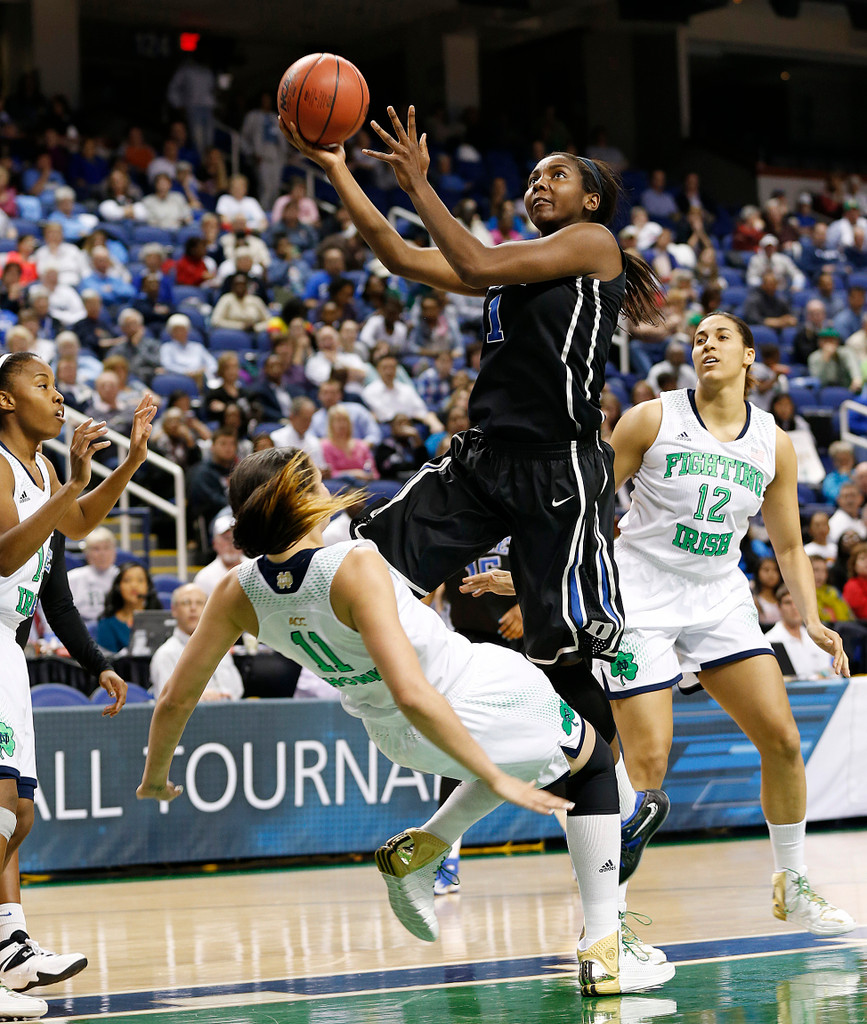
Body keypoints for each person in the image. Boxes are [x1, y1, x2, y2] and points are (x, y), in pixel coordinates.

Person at [137, 447, 675, 996]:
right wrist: (491, 779)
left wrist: (156, 777)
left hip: (392, 734)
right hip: (471, 695)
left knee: (529, 761)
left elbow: (175, 701)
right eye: (319, 481)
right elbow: (417, 693)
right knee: (593, 767)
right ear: (300, 499)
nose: (329, 488)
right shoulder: (352, 563)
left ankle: (429, 849)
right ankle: (606, 950)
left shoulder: (235, 590)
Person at [594, 311, 853, 936]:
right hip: (641, 593)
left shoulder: (774, 441)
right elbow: (587, 500)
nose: (705, 345)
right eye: (698, 339)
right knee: (647, 763)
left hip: (718, 595)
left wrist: (813, 621)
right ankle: (610, 921)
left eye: (720, 337)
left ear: (749, 357)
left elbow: (789, 547)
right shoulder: (652, 418)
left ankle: (792, 886)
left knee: (783, 740)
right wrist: (540, 576)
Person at [0, 353, 156, 1017]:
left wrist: (126, 465)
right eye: (42, 385)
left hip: (9, 650)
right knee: (3, 808)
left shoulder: (41, 470)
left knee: (17, 812)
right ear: (5, 401)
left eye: (60, 388)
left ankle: (11, 953)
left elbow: (74, 529)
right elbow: (5, 553)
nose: (58, 398)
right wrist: (72, 484)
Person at [150, 584, 243, 700]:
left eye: (199, 603)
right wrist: (202, 698)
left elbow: (238, 689)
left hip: (227, 713)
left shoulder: (220, 647)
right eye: (186, 603)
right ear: (174, 610)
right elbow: (165, 701)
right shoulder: (166, 654)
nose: (193, 608)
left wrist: (221, 696)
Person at [765, 586, 835, 679]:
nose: (794, 607)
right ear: (779, 606)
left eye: (797, 602)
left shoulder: (816, 636)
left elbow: (831, 671)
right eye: (788, 603)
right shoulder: (769, 640)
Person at [96, 561, 161, 653]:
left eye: (140, 580)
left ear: (148, 587)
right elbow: (107, 661)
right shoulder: (107, 623)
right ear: (118, 587)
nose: (134, 585)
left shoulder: (159, 620)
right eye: (127, 580)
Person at [67, 525, 118, 623]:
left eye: (107, 548)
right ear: (87, 553)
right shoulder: (72, 578)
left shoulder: (123, 577)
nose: (102, 554)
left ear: (114, 552)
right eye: (96, 549)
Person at [193, 510, 246, 595]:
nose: (232, 543)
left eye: (236, 537)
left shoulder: (258, 568)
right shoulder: (203, 578)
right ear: (214, 543)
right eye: (226, 538)